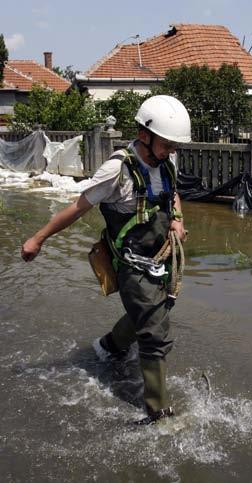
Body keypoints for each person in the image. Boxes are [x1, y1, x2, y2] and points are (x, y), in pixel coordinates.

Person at [21, 95, 191, 425]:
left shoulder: (166, 162)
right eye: (167, 144)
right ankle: (159, 413)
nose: (171, 151)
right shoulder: (117, 169)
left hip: (161, 257)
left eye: (174, 146)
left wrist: (178, 220)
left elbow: (173, 194)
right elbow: (78, 207)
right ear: (145, 135)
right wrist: (38, 239)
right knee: (155, 332)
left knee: (156, 309)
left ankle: (110, 346)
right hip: (130, 265)